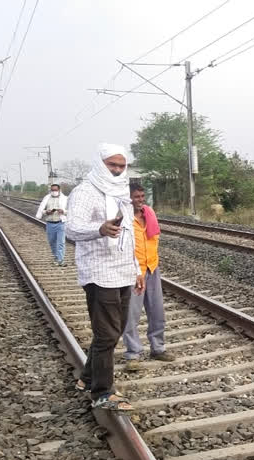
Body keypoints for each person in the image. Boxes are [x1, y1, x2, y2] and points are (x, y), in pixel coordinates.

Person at [66, 143, 145, 411]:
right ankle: (102, 392)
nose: (117, 170)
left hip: (122, 270)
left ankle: (87, 378)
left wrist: (136, 268)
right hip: (99, 273)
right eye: (112, 165)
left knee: (115, 330)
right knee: (106, 334)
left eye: (122, 166)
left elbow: (129, 233)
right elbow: (73, 229)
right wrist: (99, 229)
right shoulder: (85, 192)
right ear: (101, 164)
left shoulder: (121, 192)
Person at [122, 183, 174, 368]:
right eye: (136, 197)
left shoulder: (149, 214)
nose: (140, 200)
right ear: (128, 198)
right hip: (133, 271)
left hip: (152, 267)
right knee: (131, 314)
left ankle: (158, 348)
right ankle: (133, 353)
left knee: (157, 311)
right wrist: (135, 271)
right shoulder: (124, 218)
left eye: (142, 196)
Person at [35, 183, 68, 266]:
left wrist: (63, 211)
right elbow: (42, 209)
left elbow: (71, 210)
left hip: (61, 223)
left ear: (59, 190)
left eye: (55, 190)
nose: (54, 192)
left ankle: (61, 260)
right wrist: (46, 212)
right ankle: (56, 257)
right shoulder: (47, 198)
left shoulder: (65, 199)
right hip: (50, 223)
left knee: (61, 242)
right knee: (52, 242)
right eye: (52, 190)